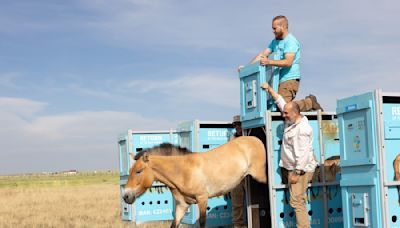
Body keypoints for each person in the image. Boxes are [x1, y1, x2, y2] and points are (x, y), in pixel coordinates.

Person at [261, 82, 318, 228]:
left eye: (286, 113)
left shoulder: (302, 129)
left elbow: (303, 155)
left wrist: (296, 172)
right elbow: (280, 102)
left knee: (297, 201)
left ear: (296, 112)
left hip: (300, 169)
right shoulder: (291, 118)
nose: (283, 115)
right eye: (284, 112)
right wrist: (269, 89)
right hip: (289, 166)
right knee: (294, 199)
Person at [240, 15, 323, 112]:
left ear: (283, 27)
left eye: (274, 28)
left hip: (289, 79)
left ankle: (309, 102)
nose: (273, 31)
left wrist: (269, 62)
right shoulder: (274, 42)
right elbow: (263, 55)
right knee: (276, 107)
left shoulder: (291, 42)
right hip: (278, 80)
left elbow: (288, 62)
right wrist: (246, 68)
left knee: (284, 108)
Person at [230, 115, 246, 228]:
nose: (237, 127)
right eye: (235, 125)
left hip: (248, 176)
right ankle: (238, 225)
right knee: (237, 203)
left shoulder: (249, 136)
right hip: (236, 176)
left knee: (252, 202)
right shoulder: (232, 139)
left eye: (239, 124)